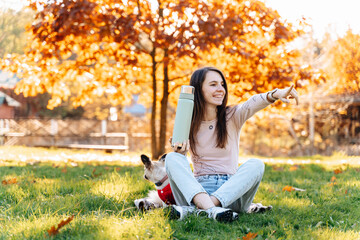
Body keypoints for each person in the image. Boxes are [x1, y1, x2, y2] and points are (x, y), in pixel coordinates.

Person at [165, 66, 299, 222]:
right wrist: (180, 153)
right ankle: (212, 211)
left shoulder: (233, 116)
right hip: (198, 191)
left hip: (232, 194)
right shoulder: (188, 121)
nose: (221, 89)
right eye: (213, 84)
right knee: (172, 158)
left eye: (222, 84)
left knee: (256, 164)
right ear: (198, 89)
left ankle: (202, 209)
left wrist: (275, 94)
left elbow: (252, 103)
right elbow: (179, 163)